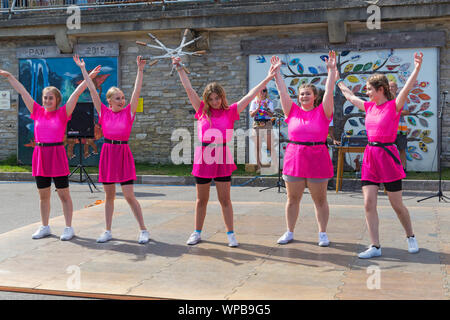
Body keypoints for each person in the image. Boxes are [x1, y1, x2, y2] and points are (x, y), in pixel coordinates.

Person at [172, 56, 278, 247]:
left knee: (225, 199)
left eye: (217, 97)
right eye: (211, 98)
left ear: (222, 96)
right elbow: (189, 90)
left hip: (222, 156)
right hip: (204, 156)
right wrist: (180, 68)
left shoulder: (232, 111)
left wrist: (268, 77)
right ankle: (197, 232)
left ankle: (230, 234)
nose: (214, 101)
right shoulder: (202, 110)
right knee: (201, 199)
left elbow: (252, 94)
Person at [0, 59, 101, 241]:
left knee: (63, 194)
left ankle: (68, 228)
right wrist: (9, 76)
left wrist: (87, 76)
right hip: (40, 155)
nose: (47, 100)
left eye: (50, 98)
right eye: (45, 98)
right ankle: (45, 226)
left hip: (57, 154)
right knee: (43, 194)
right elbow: (22, 91)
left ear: (57, 100)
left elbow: (76, 94)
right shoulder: (37, 111)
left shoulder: (63, 112)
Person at [335, 52, 423, 259]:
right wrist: (336, 76)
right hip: (370, 156)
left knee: (396, 204)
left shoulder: (393, 106)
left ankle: (410, 236)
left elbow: (408, 88)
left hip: (388, 156)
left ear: (380, 90)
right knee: (368, 203)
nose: (366, 92)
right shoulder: (369, 107)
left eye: (368, 89)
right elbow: (349, 95)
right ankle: (375, 246)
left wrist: (417, 69)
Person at [75, 55, 150, 244]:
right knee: (109, 196)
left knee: (129, 195)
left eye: (123, 98)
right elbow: (92, 90)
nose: (122, 100)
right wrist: (85, 71)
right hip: (108, 153)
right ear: (109, 101)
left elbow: (137, 90)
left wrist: (140, 70)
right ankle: (107, 231)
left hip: (123, 153)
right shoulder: (103, 112)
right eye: (118, 98)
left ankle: (143, 230)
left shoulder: (128, 112)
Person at [270, 51, 337, 247]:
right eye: (301, 94)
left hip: (318, 157)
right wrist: (276, 74)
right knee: (292, 199)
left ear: (315, 96)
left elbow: (330, 90)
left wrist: (332, 71)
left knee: (320, 199)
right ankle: (289, 231)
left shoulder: (323, 111)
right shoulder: (292, 111)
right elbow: (282, 92)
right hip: (295, 157)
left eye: (308, 93)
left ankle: (322, 233)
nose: (304, 96)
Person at [249, 87, 274, 171]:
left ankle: (272, 165)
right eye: (260, 90)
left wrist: (266, 108)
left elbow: (271, 115)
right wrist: (258, 107)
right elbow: (252, 115)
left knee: (269, 145)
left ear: (266, 92)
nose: (262, 92)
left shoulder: (269, 102)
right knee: (257, 146)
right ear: (257, 92)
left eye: (264, 90)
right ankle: (259, 166)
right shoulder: (254, 102)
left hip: (267, 123)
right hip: (257, 124)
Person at [389, 81, 410, 170]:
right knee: (388, 150)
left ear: (397, 88)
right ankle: (389, 170)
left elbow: (406, 111)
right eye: (389, 87)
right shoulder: (384, 98)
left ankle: (403, 169)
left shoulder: (401, 98)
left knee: (402, 149)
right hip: (388, 129)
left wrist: (395, 112)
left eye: (392, 86)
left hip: (400, 128)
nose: (390, 88)